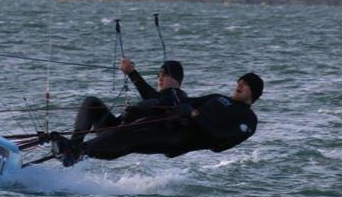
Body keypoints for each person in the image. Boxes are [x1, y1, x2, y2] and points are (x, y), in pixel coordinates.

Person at [51, 71, 264, 166]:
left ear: (253, 91)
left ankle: (77, 153)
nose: (239, 84)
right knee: (91, 102)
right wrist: (173, 100)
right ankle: (73, 148)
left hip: (180, 139)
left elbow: (220, 141)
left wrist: (193, 114)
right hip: (167, 127)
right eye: (239, 81)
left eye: (245, 84)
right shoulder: (218, 98)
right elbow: (184, 103)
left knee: (130, 134)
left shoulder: (248, 119)